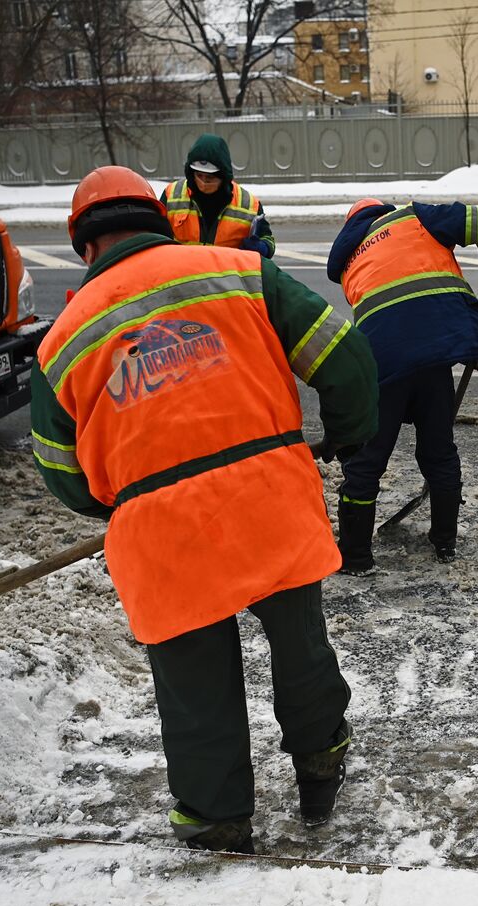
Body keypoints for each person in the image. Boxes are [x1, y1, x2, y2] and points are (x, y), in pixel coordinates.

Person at [31, 166, 378, 853]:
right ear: (160, 217)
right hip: (269, 499)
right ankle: (320, 764)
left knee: (193, 685)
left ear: (84, 245)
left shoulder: (62, 339)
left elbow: (61, 472)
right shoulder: (240, 271)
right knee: (301, 648)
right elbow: (345, 358)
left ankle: (218, 816)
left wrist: (126, 500)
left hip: (162, 534)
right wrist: (342, 434)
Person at [325, 198, 478, 573]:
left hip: (383, 361)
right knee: (438, 452)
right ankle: (445, 542)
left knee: (367, 463)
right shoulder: (413, 218)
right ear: (384, 210)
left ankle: (355, 558)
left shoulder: (349, 259)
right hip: (434, 355)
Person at [163, 133, 277, 257]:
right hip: (183, 274)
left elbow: (268, 240)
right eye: (199, 176)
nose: (203, 182)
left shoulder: (248, 204)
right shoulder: (171, 196)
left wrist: (263, 247)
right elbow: (153, 235)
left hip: (226, 275)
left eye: (210, 178)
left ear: (223, 176)